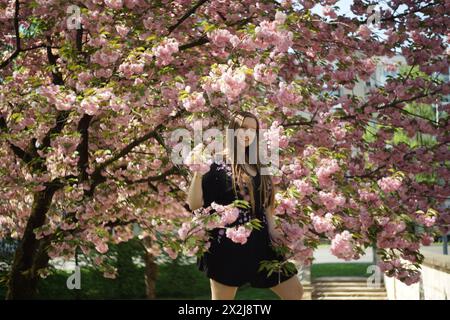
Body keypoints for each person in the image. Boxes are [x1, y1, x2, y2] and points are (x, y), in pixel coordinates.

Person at [187, 110, 303, 300]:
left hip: (261, 242)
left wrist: (273, 233)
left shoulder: (258, 164)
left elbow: (265, 204)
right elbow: (194, 204)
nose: (247, 133)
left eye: (253, 130)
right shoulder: (215, 163)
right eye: (243, 128)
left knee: (294, 292)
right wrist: (197, 173)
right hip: (226, 245)